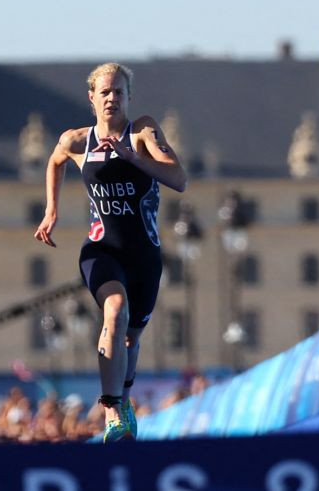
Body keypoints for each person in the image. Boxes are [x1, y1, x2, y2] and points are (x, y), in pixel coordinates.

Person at [34, 62, 186, 442]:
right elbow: (55, 161)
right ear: (92, 98)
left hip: (145, 256)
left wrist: (133, 157)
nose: (112, 98)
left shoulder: (143, 132)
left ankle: (125, 397)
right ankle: (111, 409)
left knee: (132, 339)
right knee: (114, 311)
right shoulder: (77, 141)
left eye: (119, 92)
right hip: (101, 250)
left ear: (129, 97)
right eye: (105, 92)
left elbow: (178, 178)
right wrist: (52, 209)